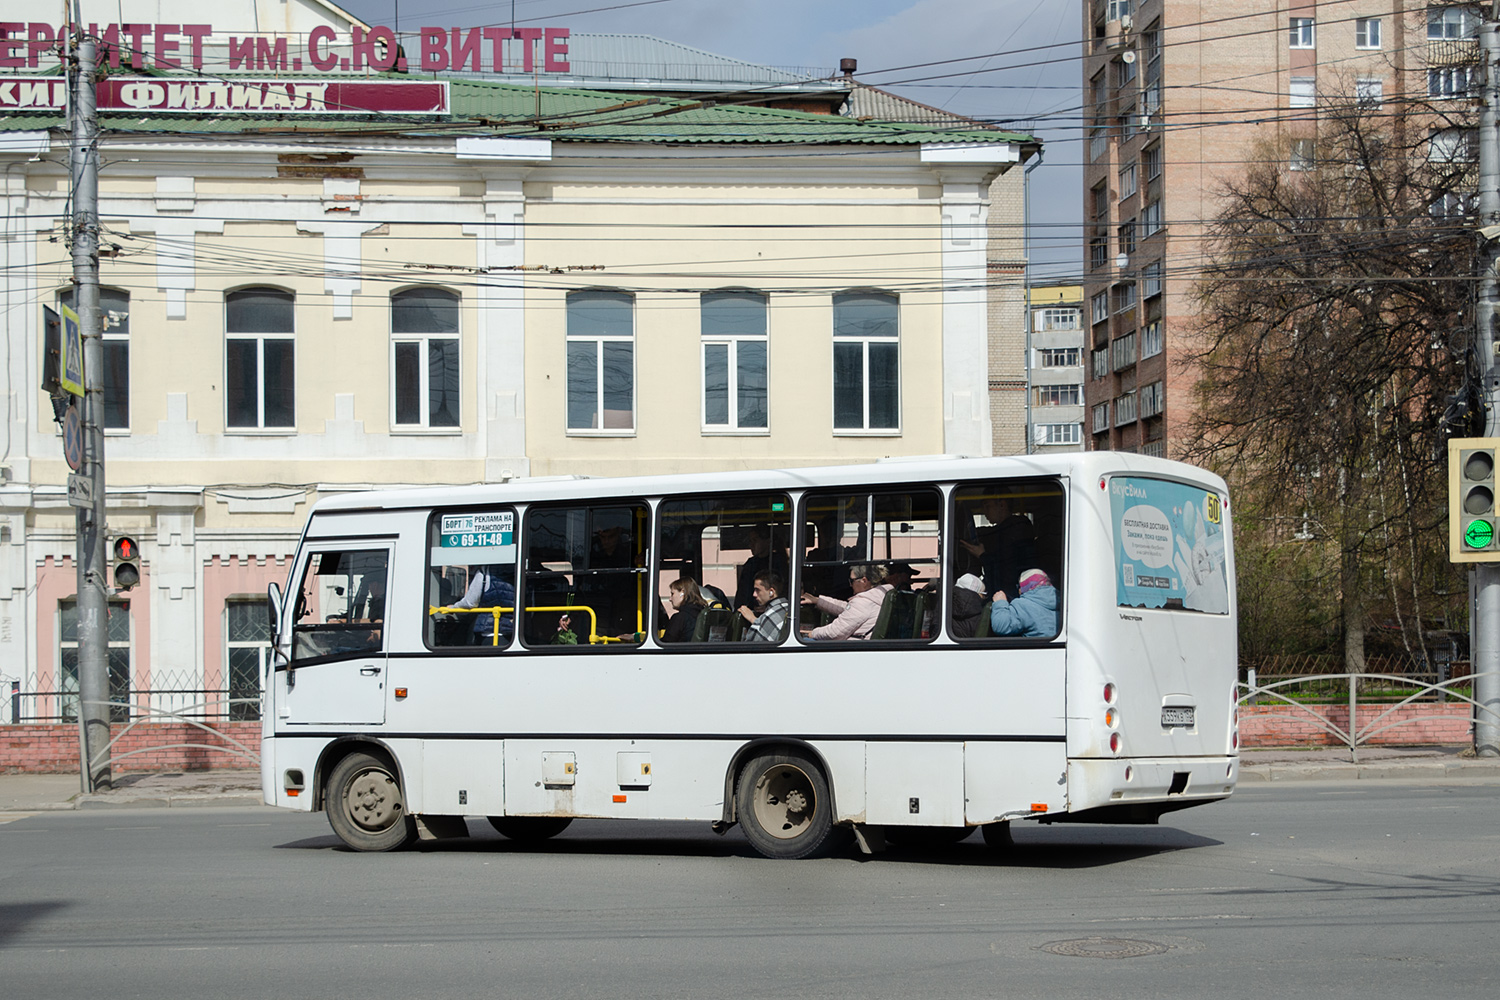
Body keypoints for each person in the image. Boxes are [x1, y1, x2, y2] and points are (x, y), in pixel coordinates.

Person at [960, 496, 1037, 599]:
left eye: (987, 506)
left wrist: (983, 556)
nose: (984, 512)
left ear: (1002, 505)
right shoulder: (1009, 531)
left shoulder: (1012, 532)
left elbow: (1004, 570)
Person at [801, 563, 892, 640]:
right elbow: (848, 608)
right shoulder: (879, 596)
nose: (850, 584)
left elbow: (835, 632)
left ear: (864, 581)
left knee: (806, 641)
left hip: (856, 649)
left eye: (851, 580)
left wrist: (812, 633)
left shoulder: (863, 603)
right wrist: (818, 600)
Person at [452, 564, 516, 646]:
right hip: (512, 631)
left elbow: (470, 602)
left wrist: (453, 608)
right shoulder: (518, 572)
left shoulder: (485, 573)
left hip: (489, 633)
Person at [733, 527, 790, 613]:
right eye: (750, 541)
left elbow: (783, 589)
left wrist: (768, 606)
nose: (751, 545)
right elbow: (743, 593)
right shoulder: (750, 564)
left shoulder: (779, 561)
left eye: (755, 540)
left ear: (767, 541)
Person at [989, 568, 1058, 638]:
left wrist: (1000, 602)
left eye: (1019, 586)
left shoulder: (1023, 605)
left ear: (1025, 585)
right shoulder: (1062, 600)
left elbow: (1001, 627)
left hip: (1038, 648)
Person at [741, 571, 790, 642]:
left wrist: (754, 620)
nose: (754, 594)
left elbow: (752, 645)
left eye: (757, 590)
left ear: (771, 592)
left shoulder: (769, 616)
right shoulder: (787, 607)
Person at [661, 576, 710, 643]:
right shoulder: (704, 614)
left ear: (682, 592)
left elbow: (666, 644)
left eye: (672, 594)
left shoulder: (680, 618)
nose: (670, 599)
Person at [950, 572, 987, 638]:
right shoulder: (982, 615)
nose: (984, 597)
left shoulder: (943, 606)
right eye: (983, 594)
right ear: (978, 594)